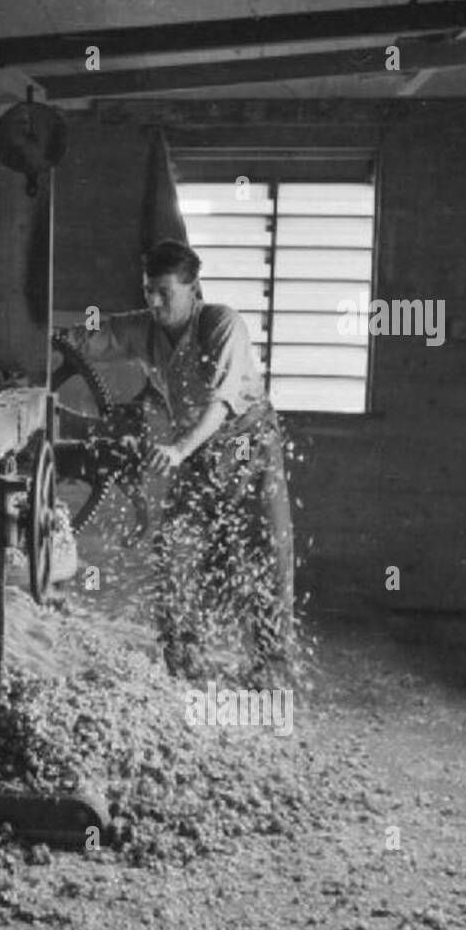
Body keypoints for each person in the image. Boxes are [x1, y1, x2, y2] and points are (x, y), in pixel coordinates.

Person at [61, 239, 296, 686]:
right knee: (174, 547)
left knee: (268, 548)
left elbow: (221, 404)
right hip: (197, 448)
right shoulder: (145, 328)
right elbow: (91, 337)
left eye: (163, 292)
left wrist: (178, 449)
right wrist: (40, 343)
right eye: (148, 290)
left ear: (194, 288)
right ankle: (183, 658)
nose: (153, 301)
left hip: (248, 443)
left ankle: (272, 669)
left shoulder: (222, 324)